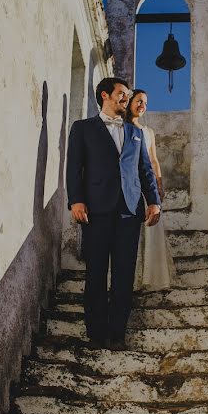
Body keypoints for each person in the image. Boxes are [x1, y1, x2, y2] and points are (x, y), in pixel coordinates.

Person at [66, 77, 161, 350]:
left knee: (124, 275)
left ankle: (117, 334)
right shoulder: (83, 129)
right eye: (122, 94)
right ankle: (96, 334)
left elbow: (145, 171)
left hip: (130, 212)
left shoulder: (136, 133)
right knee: (96, 272)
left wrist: (153, 201)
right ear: (105, 95)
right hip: (95, 210)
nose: (126, 98)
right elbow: (74, 168)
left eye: (128, 95)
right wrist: (76, 201)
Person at [126, 89, 177, 291]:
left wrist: (159, 184)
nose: (142, 105)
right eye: (139, 101)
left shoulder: (148, 132)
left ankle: (151, 277)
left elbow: (153, 160)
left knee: (151, 228)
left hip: (147, 185)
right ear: (129, 102)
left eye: (145, 103)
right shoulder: (122, 127)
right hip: (129, 184)